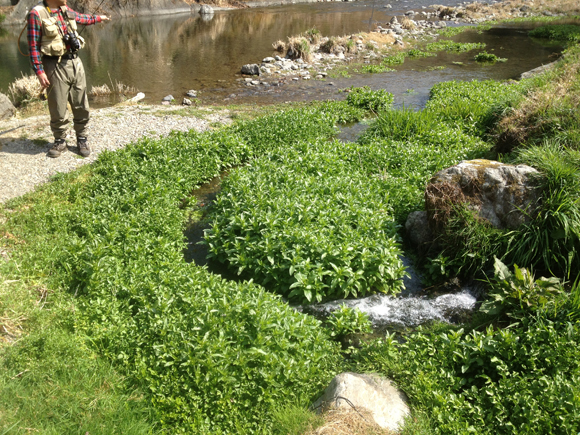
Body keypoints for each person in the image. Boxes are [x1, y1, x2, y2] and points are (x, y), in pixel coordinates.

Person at [27, 0, 109, 158]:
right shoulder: (36, 14)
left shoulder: (64, 9)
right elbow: (33, 47)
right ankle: (60, 140)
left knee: (81, 103)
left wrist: (99, 18)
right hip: (53, 65)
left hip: (75, 62)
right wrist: (39, 71)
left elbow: (82, 18)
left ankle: (82, 138)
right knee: (58, 104)